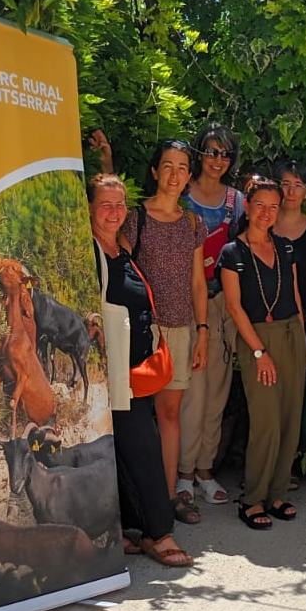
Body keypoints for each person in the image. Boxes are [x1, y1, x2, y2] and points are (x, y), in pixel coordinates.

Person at [88, 173, 192, 567]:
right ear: (90, 209)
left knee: (121, 451)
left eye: (119, 205)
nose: (114, 213)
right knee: (143, 449)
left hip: (137, 370)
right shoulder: (90, 255)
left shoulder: (122, 250)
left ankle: (127, 528)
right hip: (113, 375)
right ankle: (159, 533)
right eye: (105, 205)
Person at [119, 140, 209, 524]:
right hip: (142, 332)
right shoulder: (134, 218)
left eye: (183, 167)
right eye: (167, 166)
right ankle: (139, 503)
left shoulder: (192, 223)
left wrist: (202, 330)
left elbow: (198, 282)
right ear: (155, 171)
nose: (175, 174)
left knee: (170, 415)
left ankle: (169, 496)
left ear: (190, 175)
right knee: (137, 418)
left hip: (180, 330)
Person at [219, 176, 306, 529]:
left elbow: (296, 295)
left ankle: (277, 492)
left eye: (273, 206)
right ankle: (252, 498)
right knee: (266, 421)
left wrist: (302, 338)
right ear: (247, 207)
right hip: (258, 339)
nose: (266, 213)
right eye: (260, 205)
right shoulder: (233, 253)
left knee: (290, 418)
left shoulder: (286, 248)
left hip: (291, 335)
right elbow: (235, 308)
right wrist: (259, 353)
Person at [179, 123, 244, 506]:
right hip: (186, 301)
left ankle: (206, 470)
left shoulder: (237, 201)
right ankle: (183, 474)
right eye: (212, 151)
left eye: (225, 153)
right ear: (199, 153)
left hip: (224, 302)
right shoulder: (182, 195)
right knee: (191, 392)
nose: (219, 160)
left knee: (217, 391)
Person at [273, 161, 306, 378]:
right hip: (265, 325)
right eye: (285, 184)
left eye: (298, 185)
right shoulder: (261, 224)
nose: (291, 191)